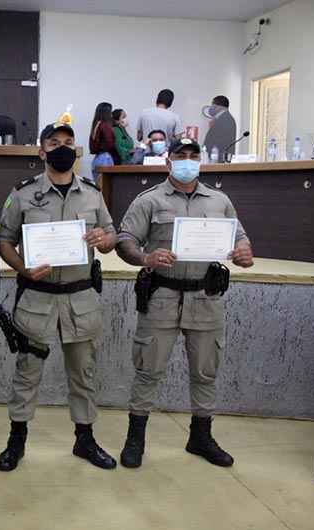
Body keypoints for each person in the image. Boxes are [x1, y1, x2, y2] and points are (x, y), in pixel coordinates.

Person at [116, 137, 254, 469]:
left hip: (206, 298)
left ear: (200, 160)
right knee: (148, 370)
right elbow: (125, 240)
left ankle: (200, 437)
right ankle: (135, 438)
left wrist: (244, 252)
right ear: (169, 161)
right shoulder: (149, 200)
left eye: (194, 155)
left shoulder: (219, 201)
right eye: (181, 155)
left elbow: (239, 237)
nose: (187, 161)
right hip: (162, 296)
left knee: (205, 372)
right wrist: (146, 257)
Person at [0, 122, 118, 472]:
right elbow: (4, 240)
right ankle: (16, 441)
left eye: (67, 142)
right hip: (38, 298)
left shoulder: (92, 193)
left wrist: (104, 240)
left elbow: (111, 234)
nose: (61, 148)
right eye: (53, 143)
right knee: (26, 374)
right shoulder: (23, 194)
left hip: (80, 299)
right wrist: (23, 269)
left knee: (83, 374)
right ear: (42, 152)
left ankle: (85, 439)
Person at [89, 102, 120, 181]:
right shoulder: (105, 125)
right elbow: (110, 143)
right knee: (107, 186)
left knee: (98, 185)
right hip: (105, 159)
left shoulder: (95, 125)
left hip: (97, 159)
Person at [202, 96, 237, 162]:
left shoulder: (225, 119)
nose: (211, 107)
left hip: (220, 159)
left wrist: (204, 151)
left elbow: (218, 142)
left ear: (219, 106)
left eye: (212, 105)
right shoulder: (220, 118)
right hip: (216, 158)